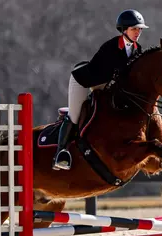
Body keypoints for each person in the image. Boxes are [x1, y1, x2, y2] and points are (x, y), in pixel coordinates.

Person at [52, 9, 149, 170]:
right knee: (75, 115)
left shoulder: (137, 49)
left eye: (139, 29)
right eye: (134, 29)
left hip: (106, 83)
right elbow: (111, 74)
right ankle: (60, 153)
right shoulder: (111, 47)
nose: (138, 32)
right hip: (84, 80)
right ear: (124, 30)